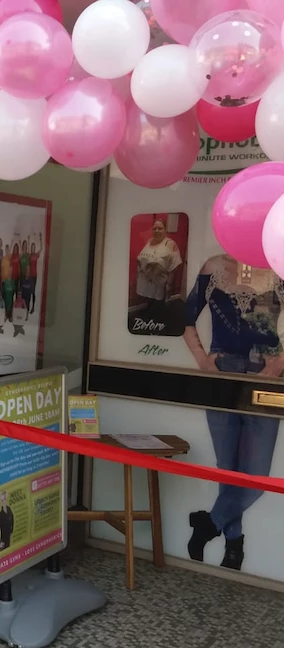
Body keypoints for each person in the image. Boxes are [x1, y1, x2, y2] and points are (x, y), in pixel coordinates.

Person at [183, 254, 283, 571]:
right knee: (228, 468)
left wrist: (282, 361)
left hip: (265, 376)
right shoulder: (214, 267)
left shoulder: (279, 265)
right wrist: (202, 359)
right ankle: (233, 545)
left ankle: (208, 523)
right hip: (223, 372)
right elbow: (185, 319)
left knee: (255, 477)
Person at [135, 218, 183, 325]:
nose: (157, 231)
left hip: (159, 281)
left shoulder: (170, 244)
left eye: (160, 228)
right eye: (155, 228)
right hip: (146, 279)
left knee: (158, 303)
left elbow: (174, 264)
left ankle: (157, 323)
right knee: (149, 300)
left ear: (165, 229)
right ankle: (149, 317)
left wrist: (170, 284)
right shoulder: (149, 241)